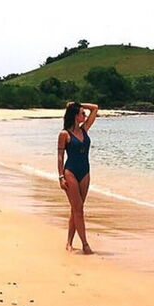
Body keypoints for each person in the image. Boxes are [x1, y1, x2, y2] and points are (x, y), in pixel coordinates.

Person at [57, 101, 98, 254]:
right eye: (82, 113)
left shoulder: (85, 129)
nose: (85, 115)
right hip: (70, 172)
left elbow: (95, 108)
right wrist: (61, 176)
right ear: (75, 116)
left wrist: (77, 104)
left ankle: (69, 242)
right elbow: (60, 156)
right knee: (78, 209)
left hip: (85, 172)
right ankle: (85, 245)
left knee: (76, 209)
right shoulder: (64, 134)